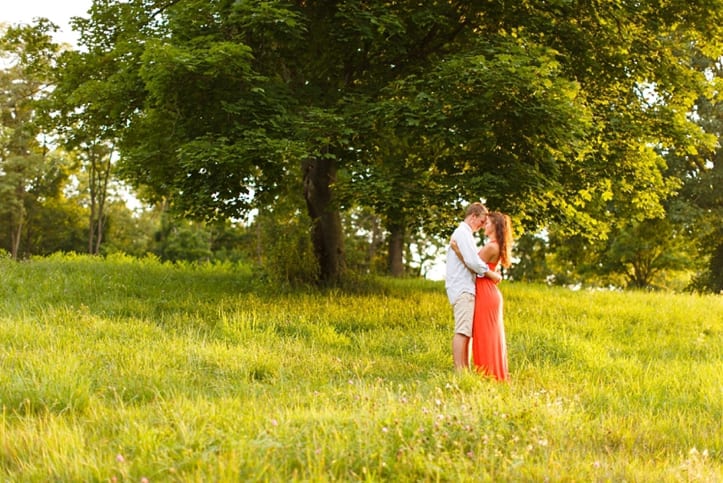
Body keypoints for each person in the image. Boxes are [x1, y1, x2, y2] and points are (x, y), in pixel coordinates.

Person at [452, 211, 513, 380]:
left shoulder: (491, 246)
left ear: (495, 226)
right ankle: (488, 373)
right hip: (488, 291)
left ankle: (488, 374)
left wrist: (457, 251)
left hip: (485, 292)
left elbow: (473, 264)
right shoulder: (496, 245)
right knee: (486, 334)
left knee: (485, 335)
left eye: (488, 223)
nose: (484, 225)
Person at [445, 202, 501, 371]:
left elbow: (471, 260)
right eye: (482, 221)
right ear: (473, 216)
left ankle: (465, 369)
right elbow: (473, 262)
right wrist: (491, 274)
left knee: (466, 332)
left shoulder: (466, 234)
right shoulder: (463, 233)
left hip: (465, 287)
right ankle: (459, 370)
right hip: (463, 288)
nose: (483, 225)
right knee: (462, 331)